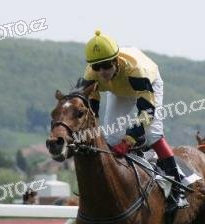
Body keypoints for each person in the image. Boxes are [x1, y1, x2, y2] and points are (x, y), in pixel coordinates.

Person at [78, 30, 188, 209]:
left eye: (106, 65)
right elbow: (91, 108)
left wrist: (128, 140)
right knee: (111, 137)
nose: (102, 72)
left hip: (147, 84)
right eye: (97, 67)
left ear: (115, 61)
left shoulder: (136, 70)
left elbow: (146, 112)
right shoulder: (90, 75)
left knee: (152, 134)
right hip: (119, 90)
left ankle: (178, 186)